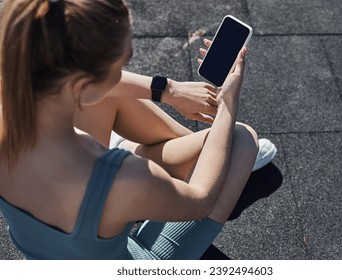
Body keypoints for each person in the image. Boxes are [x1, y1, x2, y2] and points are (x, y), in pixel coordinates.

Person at [0, 0, 276, 260]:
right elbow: (201, 200)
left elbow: (93, 85)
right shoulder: (126, 177)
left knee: (108, 96)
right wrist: (228, 105)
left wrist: (169, 90)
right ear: (85, 82)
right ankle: (211, 159)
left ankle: (188, 159)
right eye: (123, 62)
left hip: (59, 252)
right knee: (240, 140)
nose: (123, 72)